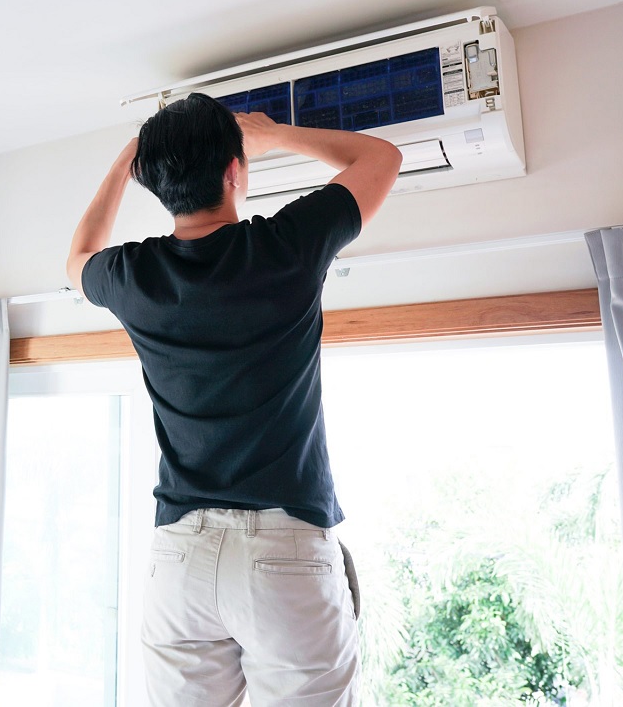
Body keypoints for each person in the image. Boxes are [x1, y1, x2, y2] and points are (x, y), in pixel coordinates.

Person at [66, 93, 402, 706]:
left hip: (180, 559)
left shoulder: (133, 276)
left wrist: (123, 163)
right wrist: (277, 135)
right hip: (284, 549)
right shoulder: (285, 246)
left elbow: (77, 258)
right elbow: (381, 157)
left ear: (152, 182)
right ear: (233, 171)